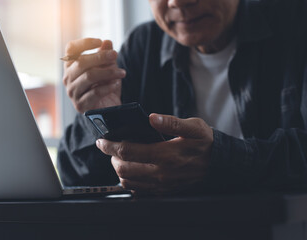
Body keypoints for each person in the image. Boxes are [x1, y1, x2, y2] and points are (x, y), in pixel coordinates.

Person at [57, 0, 307, 194]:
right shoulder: (143, 46)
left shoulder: (296, 22)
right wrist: (99, 119)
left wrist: (222, 161)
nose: (178, 2)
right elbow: (75, 179)